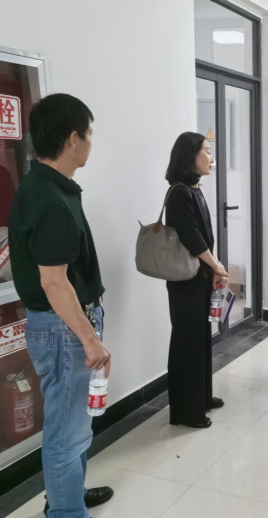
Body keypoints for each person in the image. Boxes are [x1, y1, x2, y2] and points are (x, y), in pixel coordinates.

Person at [8, 94, 114, 518]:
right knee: (66, 433)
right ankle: (65, 512)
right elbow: (53, 282)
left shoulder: (53, 187)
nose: (91, 142)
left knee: (75, 424)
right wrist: (89, 339)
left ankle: (68, 495)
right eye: (89, 134)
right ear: (73, 138)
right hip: (62, 328)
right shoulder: (48, 199)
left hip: (65, 324)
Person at [164, 132, 229, 429]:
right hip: (184, 279)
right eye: (206, 151)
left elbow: (205, 236)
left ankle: (201, 397)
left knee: (201, 338)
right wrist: (216, 265)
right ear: (189, 156)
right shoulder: (179, 192)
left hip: (199, 275)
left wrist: (213, 268)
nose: (211, 158)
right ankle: (186, 412)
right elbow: (191, 237)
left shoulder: (195, 189)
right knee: (187, 341)